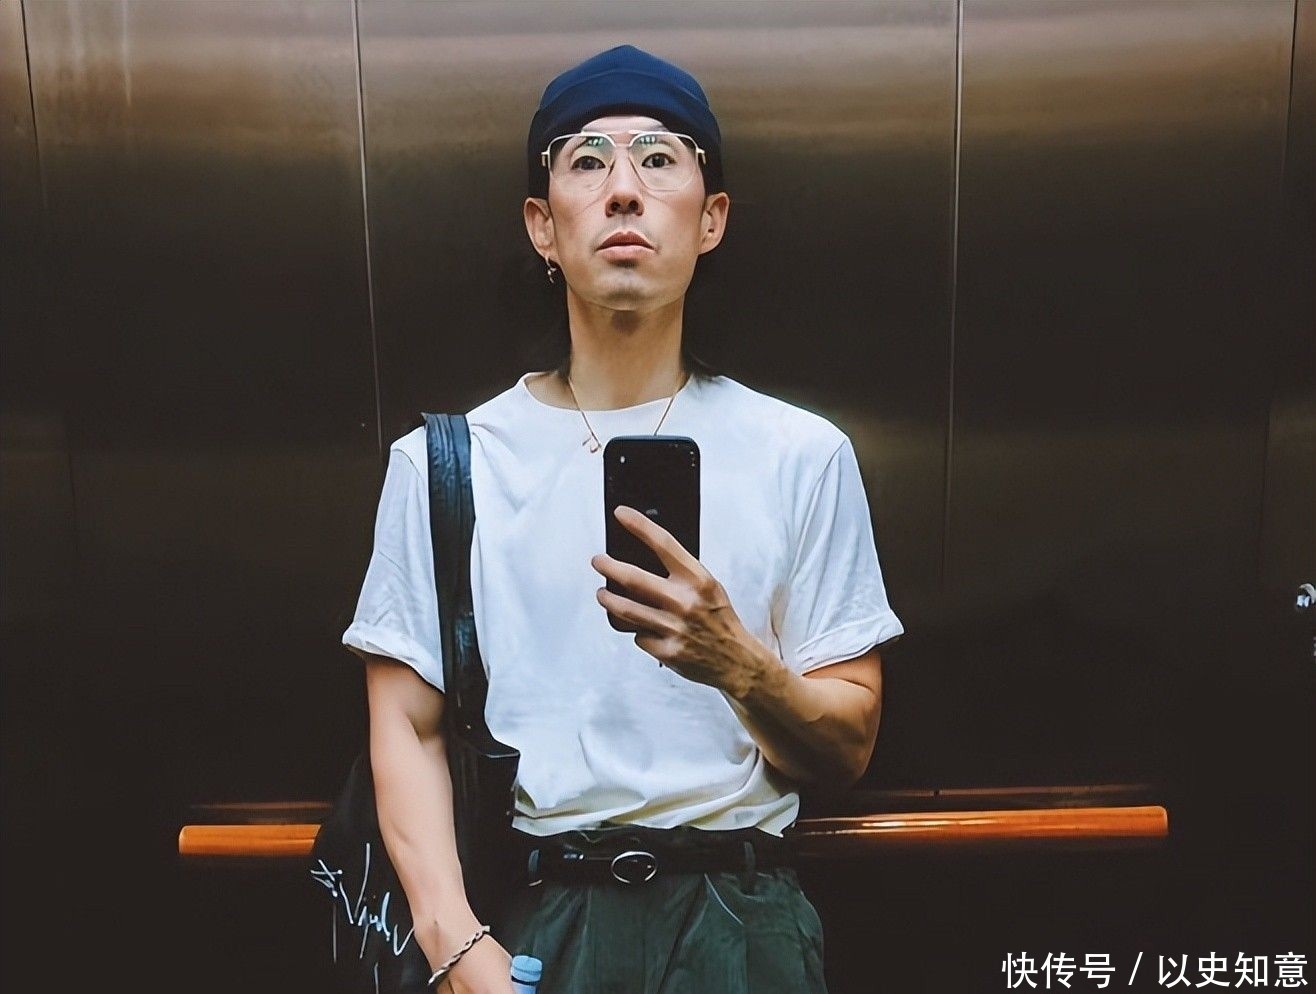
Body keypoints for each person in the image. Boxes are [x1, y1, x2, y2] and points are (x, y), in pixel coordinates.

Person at [341, 44, 904, 994]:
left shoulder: (802, 453)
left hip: (741, 919)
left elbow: (848, 742)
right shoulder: (448, 462)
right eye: (588, 161)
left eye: (659, 157)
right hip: (536, 916)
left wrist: (738, 664)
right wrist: (453, 942)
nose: (625, 190)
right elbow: (406, 722)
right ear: (543, 226)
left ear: (711, 218)